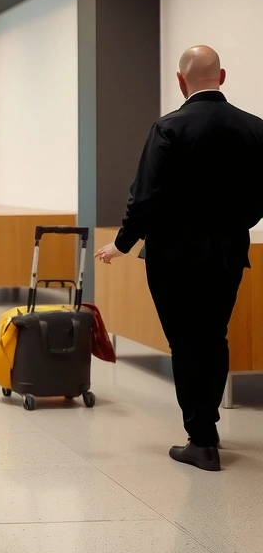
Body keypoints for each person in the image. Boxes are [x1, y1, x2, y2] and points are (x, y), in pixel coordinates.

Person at [95, 46, 263, 471]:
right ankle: (209, 426)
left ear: (180, 80)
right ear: (221, 76)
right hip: (227, 252)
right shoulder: (255, 129)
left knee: (185, 342)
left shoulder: (168, 128)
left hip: (173, 257)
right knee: (214, 336)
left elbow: (146, 197)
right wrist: (234, 223)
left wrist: (123, 242)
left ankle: (201, 439)